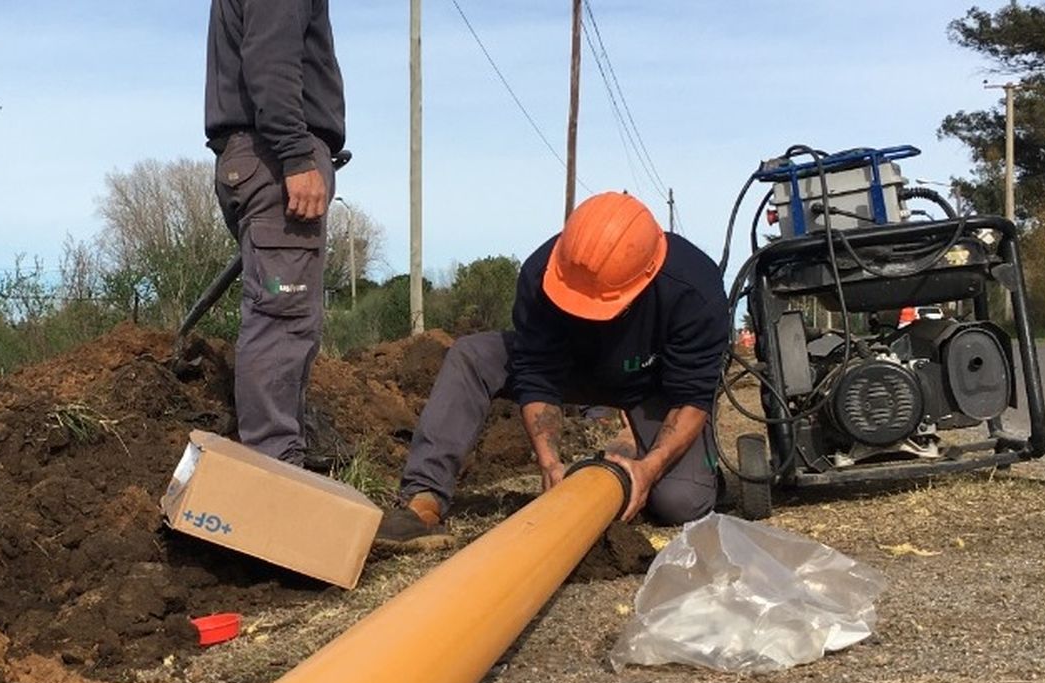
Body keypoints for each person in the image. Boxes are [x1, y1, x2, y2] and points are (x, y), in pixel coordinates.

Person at [376, 192, 728, 551]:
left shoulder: (693, 288)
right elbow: (536, 371)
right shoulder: (541, 271)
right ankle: (423, 499)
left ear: (646, 277)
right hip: (571, 368)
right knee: (472, 355)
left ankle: (637, 443)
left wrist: (649, 469)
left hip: (651, 383)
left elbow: (690, 397)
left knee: (682, 502)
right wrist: (549, 461)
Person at [205, 0, 346, 465]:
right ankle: (274, 483)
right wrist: (296, 156)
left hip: (259, 162)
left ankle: (284, 460)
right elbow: (270, 60)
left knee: (284, 313)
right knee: (282, 322)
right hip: (274, 159)